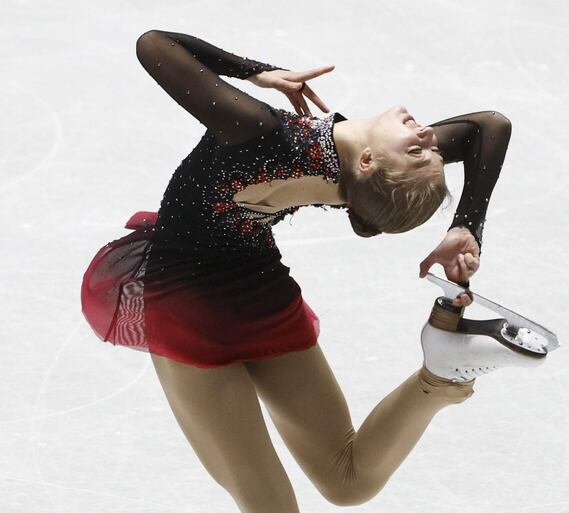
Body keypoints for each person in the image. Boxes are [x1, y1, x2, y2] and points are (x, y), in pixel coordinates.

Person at [80, 29, 512, 512]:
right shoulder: (361, 175)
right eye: (431, 150)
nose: (429, 137)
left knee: (285, 501)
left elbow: (153, 46)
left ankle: (439, 379)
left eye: (419, 151)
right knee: (347, 482)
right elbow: (487, 128)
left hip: (186, 310)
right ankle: (441, 374)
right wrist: (467, 227)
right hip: (259, 292)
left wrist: (256, 72)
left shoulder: (259, 131)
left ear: (368, 162)